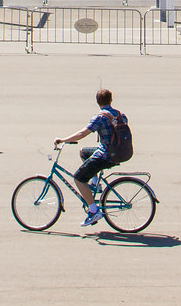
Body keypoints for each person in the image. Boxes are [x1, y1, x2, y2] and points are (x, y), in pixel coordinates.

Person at [53, 88, 129, 228]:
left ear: (97, 102)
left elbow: (83, 133)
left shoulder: (100, 117)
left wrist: (63, 140)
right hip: (117, 152)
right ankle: (94, 183)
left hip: (105, 155)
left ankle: (94, 211)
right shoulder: (120, 115)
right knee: (84, 152)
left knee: (78, 178)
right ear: (111, 100)